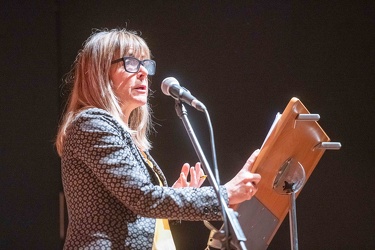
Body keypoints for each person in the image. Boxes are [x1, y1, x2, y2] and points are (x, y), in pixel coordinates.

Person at [55, 28, 261, 250]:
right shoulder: (92, 124)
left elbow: (133, 209)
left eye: (145, 63)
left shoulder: (121, 133)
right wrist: (224, 194)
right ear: (100, 72)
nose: (143, 72)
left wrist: (175, 199)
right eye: (131, 62)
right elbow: (144, 198)